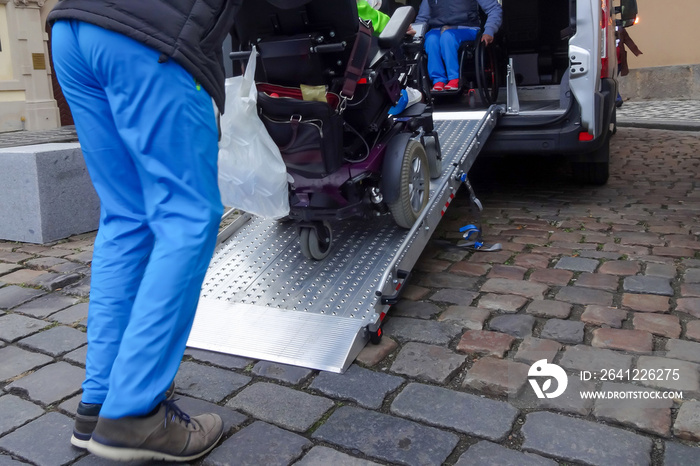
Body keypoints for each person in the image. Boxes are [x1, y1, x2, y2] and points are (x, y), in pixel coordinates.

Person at [47, 0, 241, 461]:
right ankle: (133, 413)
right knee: (187, 216)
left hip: (75, 28)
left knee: (125, 217)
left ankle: (98, 403)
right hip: (153, 34)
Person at [415, 0, 502, 91]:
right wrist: (416, 36)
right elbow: (422, 18)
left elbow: (494, 9)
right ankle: (438, 80)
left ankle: (454, 79)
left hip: (467, 28)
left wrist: (489, 30)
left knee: (447, 36)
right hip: (437, 29)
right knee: (431, 40)